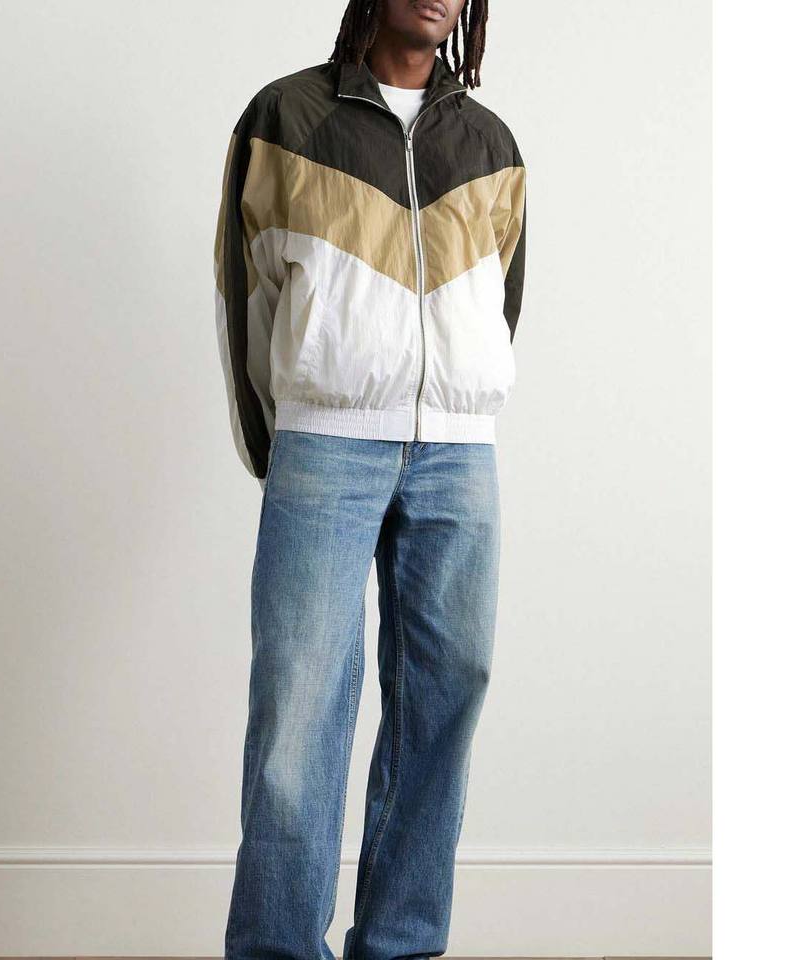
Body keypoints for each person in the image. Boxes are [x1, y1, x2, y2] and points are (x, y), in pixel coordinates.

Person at [213, 1, 526, 957]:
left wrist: (461, 398)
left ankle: (401, 944)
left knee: (447, 696)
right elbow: (244, 297)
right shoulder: (285, 117)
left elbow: (501, 301)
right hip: (325, 442)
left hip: (459, 455)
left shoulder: (490, 143)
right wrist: (287, 439)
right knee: (299, 704)